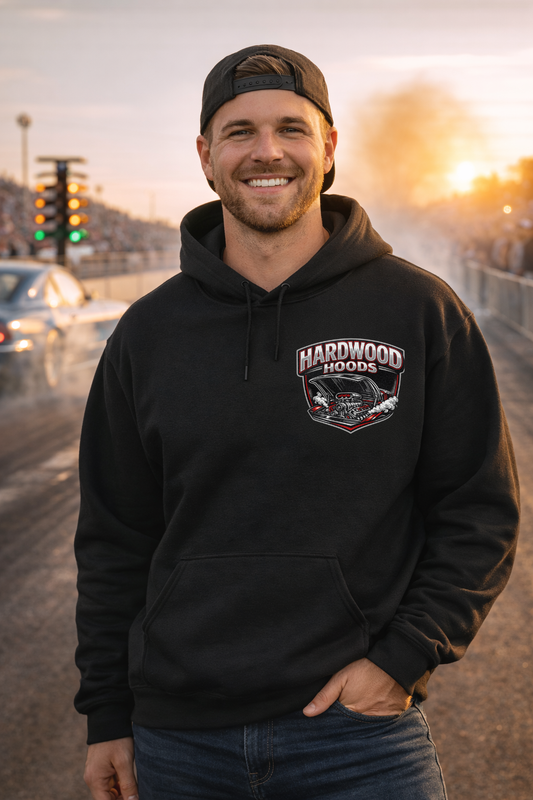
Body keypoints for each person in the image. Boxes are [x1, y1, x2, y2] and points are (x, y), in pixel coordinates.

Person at [75, 45, 520, 800]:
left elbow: (478, 512)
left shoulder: (418, 310)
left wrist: (403, 658)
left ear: (329, 147)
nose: (267, 151)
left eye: (291, 128)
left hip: (359, 741)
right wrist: (106, 715)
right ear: (205, 155)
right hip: (178, 742)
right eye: (239, 131)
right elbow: (114, 540)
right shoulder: (147, 334)